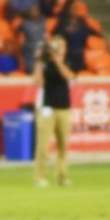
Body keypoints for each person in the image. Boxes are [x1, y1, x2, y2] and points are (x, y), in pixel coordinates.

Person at [33, 35, 75, 188]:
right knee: (43, 146)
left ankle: (62, 177)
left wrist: (58, 61)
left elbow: (69, 76)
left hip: (64, 108)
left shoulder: (68, 62)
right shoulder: (46, 64)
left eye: (62, 46)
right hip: (47, 108)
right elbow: (37, 82)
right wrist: (38, 62)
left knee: (63, 145)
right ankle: (41, 177)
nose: (60, 50)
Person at [18, 4, 46, 74]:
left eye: (36, 10)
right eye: (32, 10)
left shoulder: (43, 22)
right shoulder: (25, 23)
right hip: (29, 50)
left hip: (41, 49)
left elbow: (44, 35)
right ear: (29, 12)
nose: (34, 12)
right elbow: (18, 33)